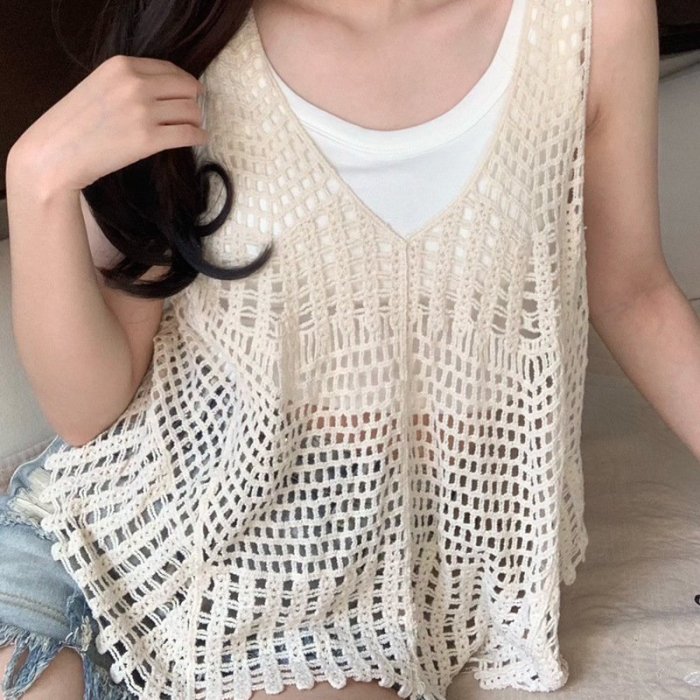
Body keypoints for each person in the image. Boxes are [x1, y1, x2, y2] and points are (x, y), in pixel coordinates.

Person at [4, 0, 696, 699]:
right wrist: (37, 182)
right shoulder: (195, 32)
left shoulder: (589, 21)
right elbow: (88, 413)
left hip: (347, 586)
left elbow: (634, 294)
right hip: (122, 531)